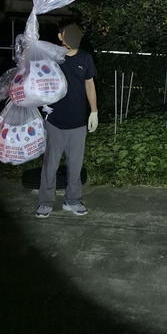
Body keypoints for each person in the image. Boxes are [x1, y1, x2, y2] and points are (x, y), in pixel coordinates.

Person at [36, 23, 98, 219]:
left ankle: (72, 201)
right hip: (55, 119)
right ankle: (45, 203)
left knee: (75, 165)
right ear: (60, 36)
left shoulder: (85, 58)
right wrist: (41, 101)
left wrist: (94, 111)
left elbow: (89, 85)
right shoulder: (53, 57)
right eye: (67, 33)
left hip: (78, 121)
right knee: (50, 165)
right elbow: (38, 78)